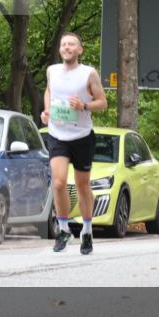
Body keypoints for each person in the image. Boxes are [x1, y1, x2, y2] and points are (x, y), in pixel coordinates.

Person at [40, 33, 108, 255]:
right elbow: (49, 91)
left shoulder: (88, 73)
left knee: (82, 185)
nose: (67, 47)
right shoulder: (52, 71)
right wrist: (47, 110)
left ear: (80, 50)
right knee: (59, 183)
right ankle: (63, 228)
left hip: (81, 136)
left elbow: (103, 102)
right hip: (58, 134)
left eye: (71, 44)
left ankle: (87, 230)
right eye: (63, 44)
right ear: (60, 49)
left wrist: (84, 106)